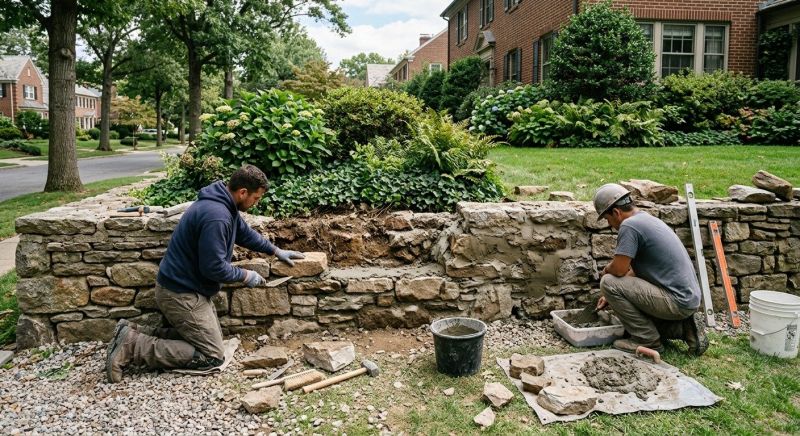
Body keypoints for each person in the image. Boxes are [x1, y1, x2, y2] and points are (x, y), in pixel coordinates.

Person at [106, 164, 305, 382]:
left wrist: (275, 250)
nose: (256, 204)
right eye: (256, 199)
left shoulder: (224, 203)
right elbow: (213, 268)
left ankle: (131, 330)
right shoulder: (216, 216)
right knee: (212, 356)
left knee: (208, 340)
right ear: (242, 193)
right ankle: (133, 346)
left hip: (185, 288)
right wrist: (247, 276)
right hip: (181, 294)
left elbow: (244, 233)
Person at [593, 183, 708, 356]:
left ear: (616, 212)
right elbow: (633, 272)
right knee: (612, 288)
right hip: (686, 299)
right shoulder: (646, 219)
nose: (610, 225)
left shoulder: (629, 226)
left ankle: (648, 341)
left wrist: (606, 271)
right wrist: (609, 295)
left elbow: (618, 271)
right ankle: (685, 329)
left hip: (676, 301)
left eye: (608, 219)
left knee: (608, 282)